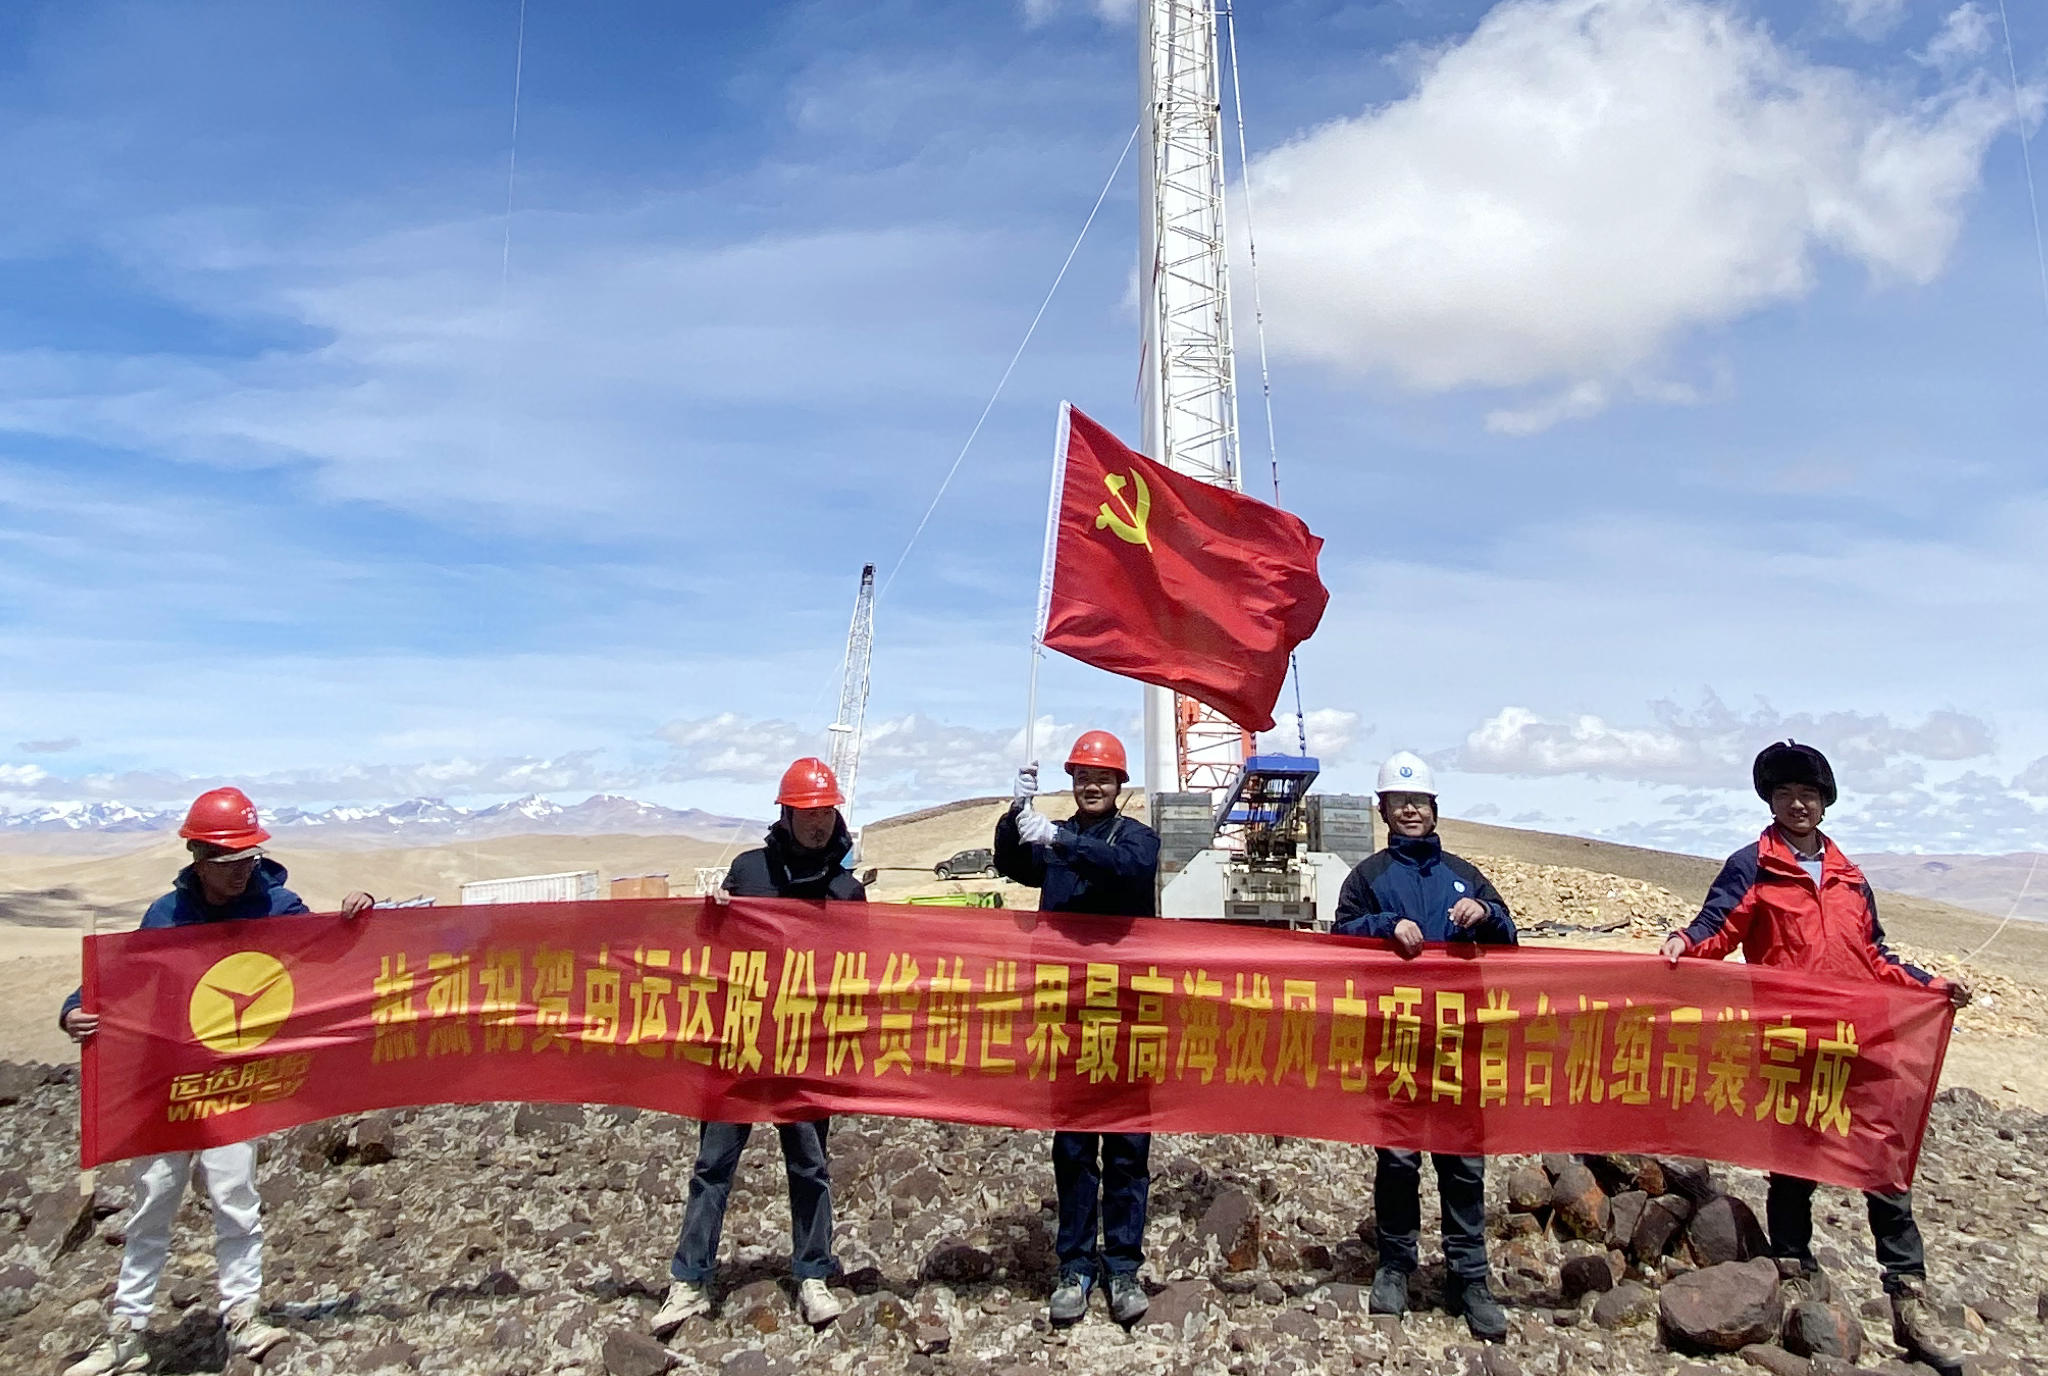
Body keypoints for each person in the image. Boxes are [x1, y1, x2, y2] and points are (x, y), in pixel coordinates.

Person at [1661, 740, 1971, 1373]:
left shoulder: (1852, 877)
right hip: (1791, 1042)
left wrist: (1931, 988)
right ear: (1770, 802)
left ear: (1825, 802)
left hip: (1861, 1039)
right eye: (1783, 795)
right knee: (1793, 1157)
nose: (1796, 803)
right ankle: (1795, 1273)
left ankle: (1907, 1295)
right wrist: (1682, 943)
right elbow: (1718, 929)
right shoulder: (1752, 866)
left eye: (1807, 794)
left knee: (1883, 1154)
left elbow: (1875, 956)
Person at [60, 787, 375, 1376]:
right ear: (197, 855)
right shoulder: (166, 917)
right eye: (227, 861)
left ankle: (243, 1317)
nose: (240, 872)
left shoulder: (277, 907)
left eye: (248, 858)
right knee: (152, 1202)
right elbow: (120, 978)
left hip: (234, 1082)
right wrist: (74, 1010)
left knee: (236, 1198)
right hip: (167, 1084)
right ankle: (127, 1333)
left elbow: (326, 949)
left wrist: (355, 916)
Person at [652, 758, 862, 1337]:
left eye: (826, 812)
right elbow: (707, 949)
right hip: (740, 1043)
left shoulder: (846, 891)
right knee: (712, 1164)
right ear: (786, 813)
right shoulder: (747, 872)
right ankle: (689, 1281)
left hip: (805, 1047)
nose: (818, 823)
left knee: (811, 1166)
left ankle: (814, 1275)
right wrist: (706, 915)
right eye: (808, 813)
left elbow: (864, 974)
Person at [1332, 751, 1514, 1343]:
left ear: (1435, 809)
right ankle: (1395, 1265)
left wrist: (1484, 912)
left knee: (1463, 1161)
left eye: (1420, 801)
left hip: (1460, 1039)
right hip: (1397, 1039)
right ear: (1383, 809)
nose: (1411, 809)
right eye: (1399, 801)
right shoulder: (1367, 878)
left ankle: (1470, 1277)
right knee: (1399, 1157)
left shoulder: (1464, 874)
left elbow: (1509, 936)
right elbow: (1339, 938)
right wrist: (1384, 926)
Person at [993, 729, 1160, 1327]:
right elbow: (1011, 862)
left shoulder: (1137, 837)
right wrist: (1014, 815)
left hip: (1128, 1013)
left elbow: (1128, 869)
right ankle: (1074, 1264)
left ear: (1120, 785)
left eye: (1102, 777)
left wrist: (1057, 836)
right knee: (1071, 1143)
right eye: (1082, 777)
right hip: (1067, 1013)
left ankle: (1122, 1265)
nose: (1091, 785)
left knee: (1126, 1146)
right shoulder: (1053, 841)